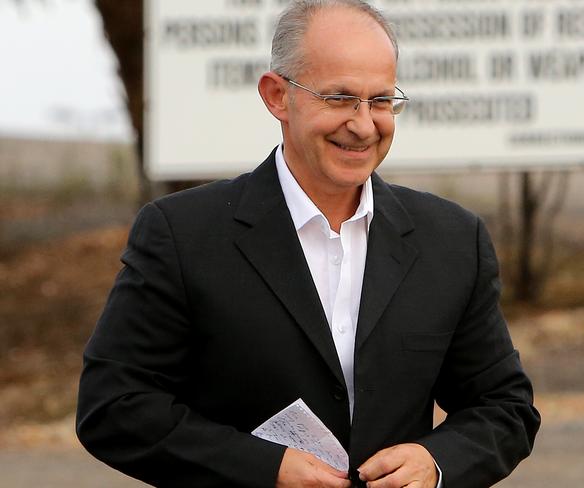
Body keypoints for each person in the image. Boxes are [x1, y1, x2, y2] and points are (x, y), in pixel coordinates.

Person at [76, 1, 540, 486]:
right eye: (339, 98)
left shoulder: (453, 240)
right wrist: (262, 468)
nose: (364, 125)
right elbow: (113, 406)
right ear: (277, 96)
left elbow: (505, 408)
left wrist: (437, 463)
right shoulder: (181, 234)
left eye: (381, 101)